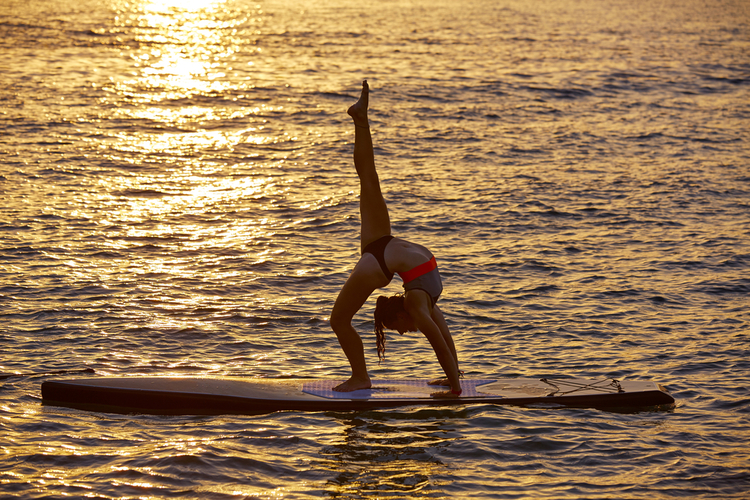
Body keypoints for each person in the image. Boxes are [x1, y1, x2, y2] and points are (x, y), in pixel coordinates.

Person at [330, 80, 462, 397]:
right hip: (382, 247)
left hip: (382, 254)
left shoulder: (420, 302)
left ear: (399, 311)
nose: (406, 330)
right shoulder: (421, 304)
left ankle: (360, 376)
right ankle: (360, 119)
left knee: (339, 320)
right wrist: (456, 386)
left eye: (398, 328)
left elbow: (443, 343)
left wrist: (454, 384)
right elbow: (441, 343)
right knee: (368, 176)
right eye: (401, 328)